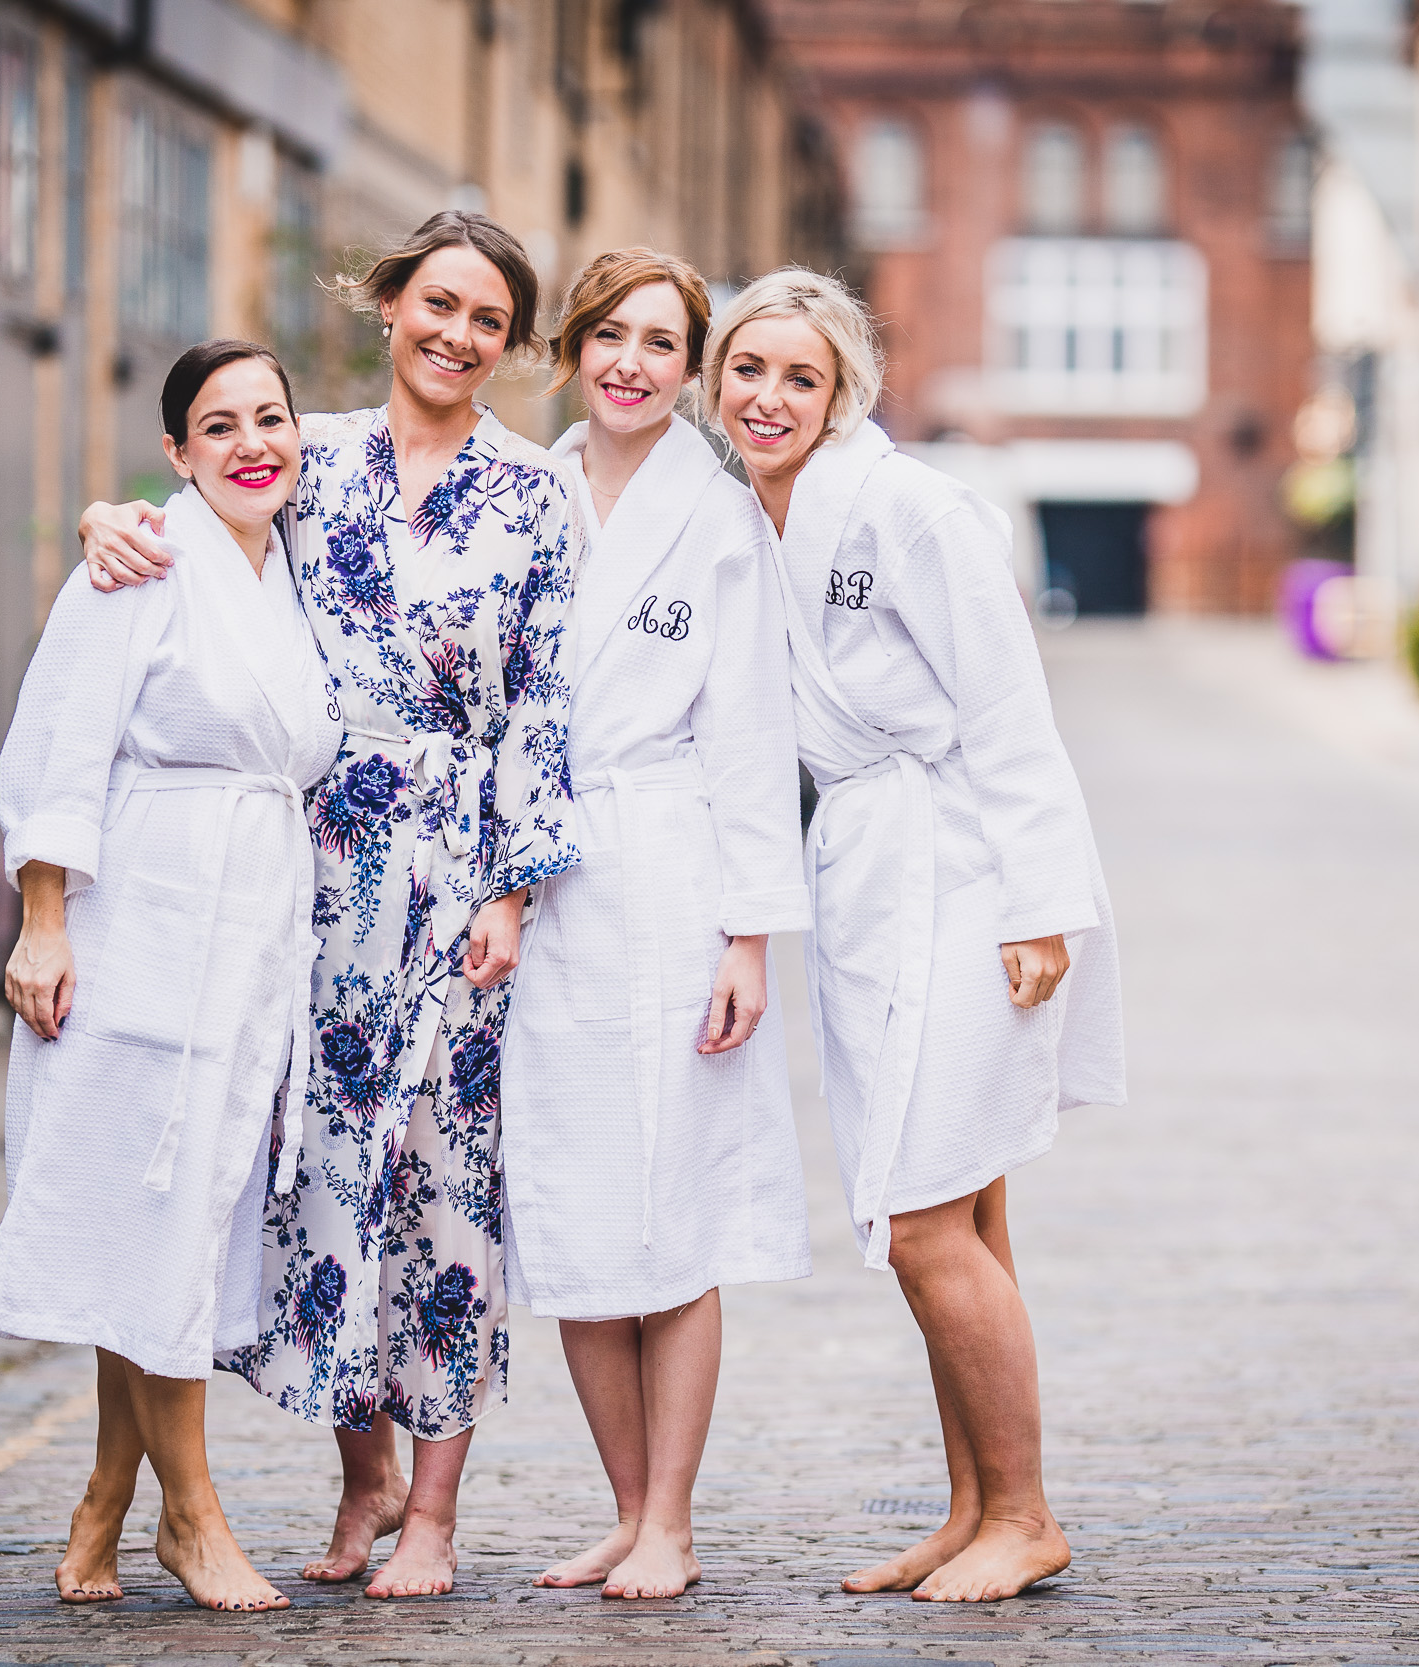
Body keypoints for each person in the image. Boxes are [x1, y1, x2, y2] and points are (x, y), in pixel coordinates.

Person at [75, 211, 581, 1599]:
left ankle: (433, 1508)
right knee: (321, 1171)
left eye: (488, 319)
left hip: (454, 874)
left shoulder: (537, 495)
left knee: (446, 1180)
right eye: (437, 304)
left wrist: (514, 889)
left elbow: (544, 704)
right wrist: (107, 516)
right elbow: (196, 516)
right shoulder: (314, 454)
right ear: (391, 304)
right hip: (305, 873)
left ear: (511, 344)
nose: (457, 335)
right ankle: (356, 1479)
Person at [703, 268, 1125, 1603]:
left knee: (927, 1213)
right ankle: (974, 1504)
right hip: (870, 875)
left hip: (963, 866)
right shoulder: (747, 519)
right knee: (956, 1205)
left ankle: (1030, 1514)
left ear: (842, 396)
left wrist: (1041, 905)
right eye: (748, 369)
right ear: (716, 383)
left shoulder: (909, 507)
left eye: (801, 376)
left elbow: (1008, 706)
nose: (769, 396)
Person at [0, 339, 341, 1614]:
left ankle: (101, 1508)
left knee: (170, 1227)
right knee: (150, 1216)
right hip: (139, 929)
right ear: (176, 453)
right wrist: (42, 922)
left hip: (246, 938)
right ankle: (193, 1512)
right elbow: (58, 745)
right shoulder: (139, 565)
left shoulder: (285, 562)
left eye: (272, 418)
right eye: (219, 426)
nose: (253, 443)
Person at [499, 249, 811, 1600]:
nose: (633, 360)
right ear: (573, 346)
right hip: (541, 886)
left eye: (663, 342)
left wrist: (748, 932)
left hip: (676, 869)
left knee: (677, 1207)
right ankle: (625, 1510)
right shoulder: (515, 490)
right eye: (611, 333)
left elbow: (748, 731)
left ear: (692, 370)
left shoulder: (721, 514)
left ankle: (673, 1514)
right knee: (574, 1210)